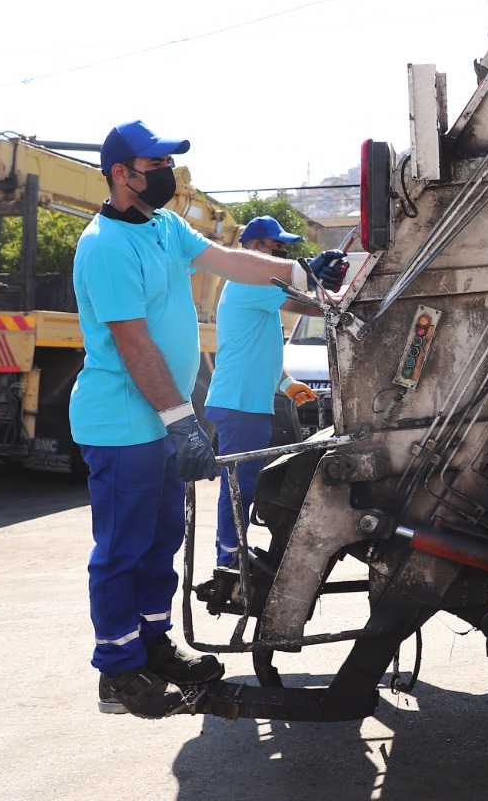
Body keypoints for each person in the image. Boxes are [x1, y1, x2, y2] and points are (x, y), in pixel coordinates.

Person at [71, 120, 350, 719]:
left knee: (162, 540)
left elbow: (228, 259)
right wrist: (181, 419)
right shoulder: (104, 246)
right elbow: (133, 344)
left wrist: (302, 271)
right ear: (122, 174)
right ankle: (117, 671)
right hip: (123, 423)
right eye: (156, 165)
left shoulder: (162, 226)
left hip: (158, 421)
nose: (166, 174)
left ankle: (151, 645)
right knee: (123, 546)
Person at [204, 216, 326, 584]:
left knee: (247, 482)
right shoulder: (247, 281)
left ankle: (233, 546)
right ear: (256, 248)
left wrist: (287, 383)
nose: (284, 253)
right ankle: (229, 554)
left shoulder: (253, 288)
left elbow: (260, 349)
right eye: (278, 247)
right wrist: (352, 298)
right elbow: (308, 306)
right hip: (240, 403)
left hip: (246, 401)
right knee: (240, 484)